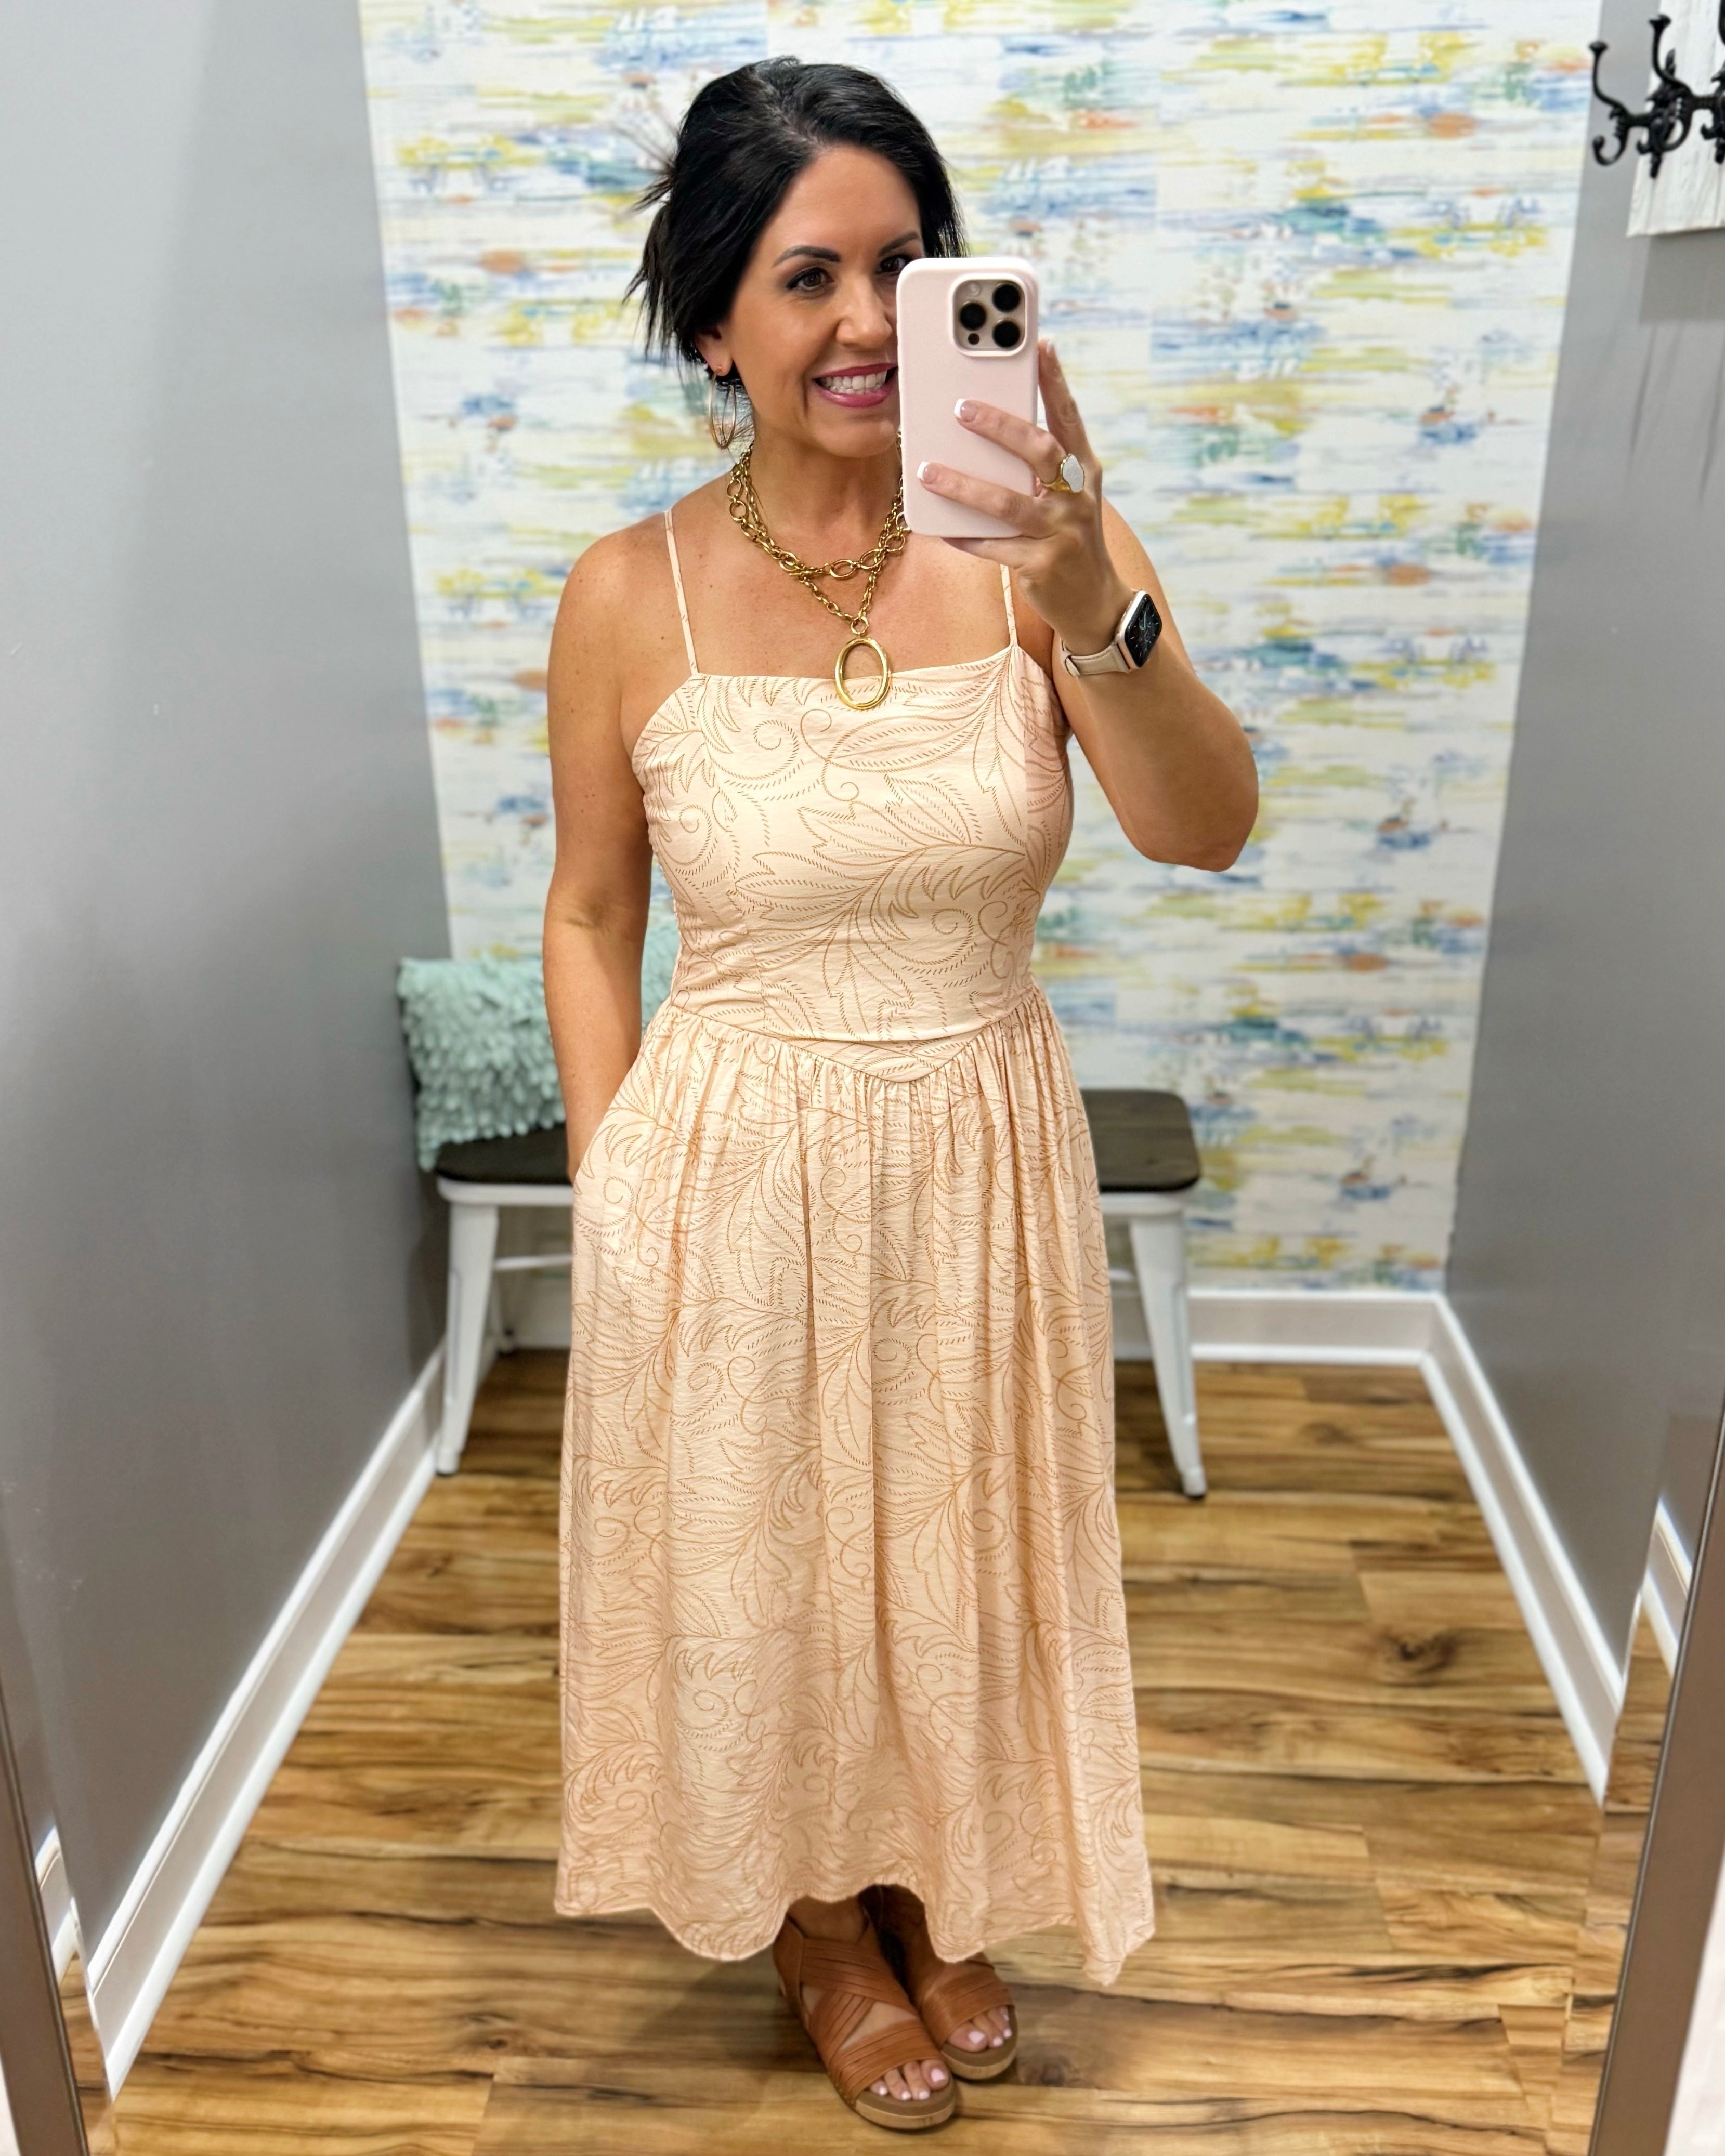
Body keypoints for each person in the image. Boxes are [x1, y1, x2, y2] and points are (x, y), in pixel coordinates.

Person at [541, 55, 1257, 2133]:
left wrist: (1079, 596)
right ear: (714, 324)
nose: (867, 322)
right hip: (730, 1159)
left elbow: (1203, 825)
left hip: (974, 1145)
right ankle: (808, 1918)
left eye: (904, 269)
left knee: (953, 1550)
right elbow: (589, 919)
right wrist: (617, 1181)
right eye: (806, 275)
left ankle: (934, 1883)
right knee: (768, 1562)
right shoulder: (624, 595)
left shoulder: (1043, 541)